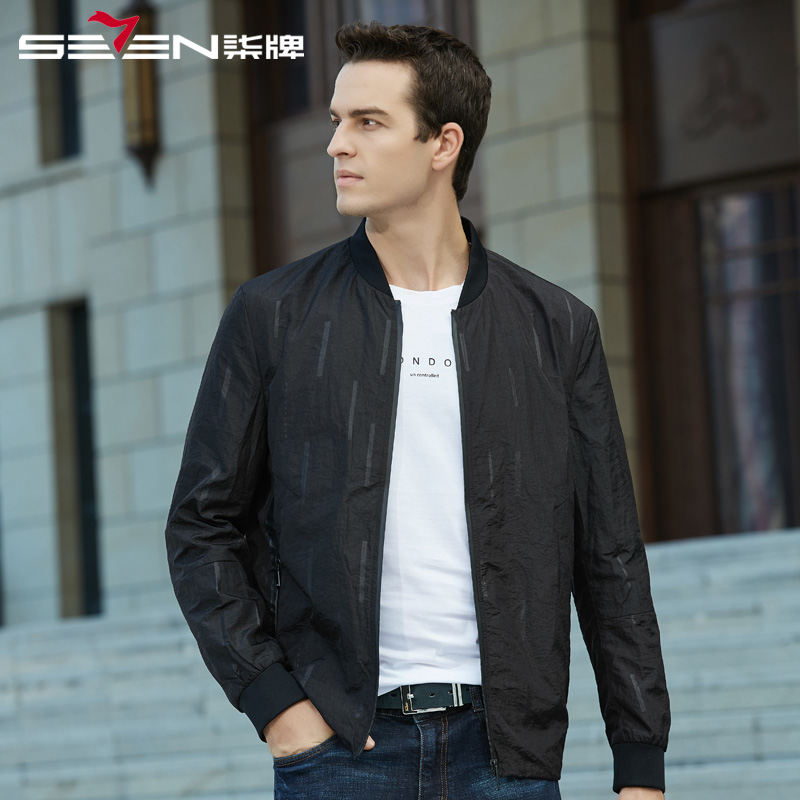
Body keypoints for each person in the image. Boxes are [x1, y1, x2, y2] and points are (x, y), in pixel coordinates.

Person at [165, 20, 670, 800]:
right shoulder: (276, 314)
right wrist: (277, 705)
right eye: (337, 120)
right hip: (341, 752)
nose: (336, 144)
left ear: (443, 144)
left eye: (368, 122)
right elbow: (201, 525)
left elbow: (610, 557)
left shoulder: (555, 326)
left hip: (507, 756)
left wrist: (640, 764)